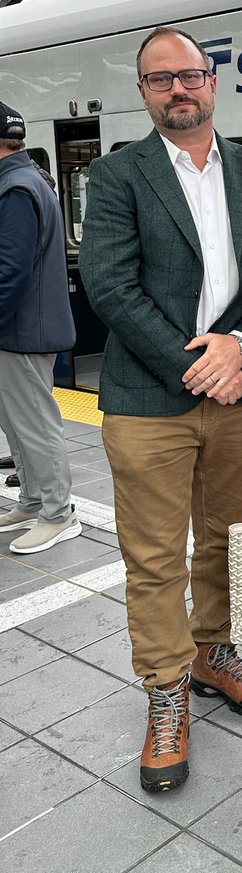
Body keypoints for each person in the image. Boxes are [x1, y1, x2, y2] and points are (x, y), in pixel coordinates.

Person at [80, 26, 242, 794]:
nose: (179, 89)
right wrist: (201, 365)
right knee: (156, 558)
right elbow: (111, 288)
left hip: (240, 394)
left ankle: (214, 651)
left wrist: (239, 346)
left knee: (228, 542)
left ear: (212, 82)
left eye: (190, 75)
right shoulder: (115, 176)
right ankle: (166, 693)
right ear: (143, 92)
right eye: (160, 79)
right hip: (148, 402)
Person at [0, 102, 79, 553]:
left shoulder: (14, 190)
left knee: (33, 423)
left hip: (22, 332)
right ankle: (31, 500)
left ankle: (58, 512)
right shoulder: (25, 181)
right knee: (17, 423)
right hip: (18, 331)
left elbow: (9, 273)